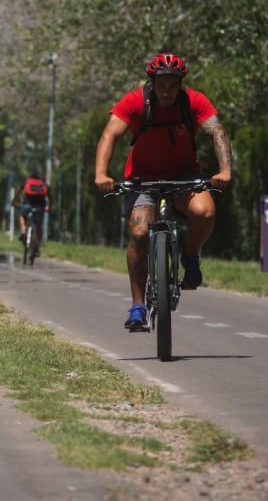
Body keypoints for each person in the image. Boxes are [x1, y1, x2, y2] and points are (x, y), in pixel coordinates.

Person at [94, 52, 232, 329]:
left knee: (204, 212)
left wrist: (225, 170)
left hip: (184, 178)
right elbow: (110, 134)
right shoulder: (135, 101)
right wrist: (101, 173)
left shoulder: (194, 101)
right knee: (139, 233)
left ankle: (191, 257)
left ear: (181, 82)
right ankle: (137, 306)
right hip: (143, 180)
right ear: (151, 82)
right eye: (161, 84)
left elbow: (216, 131)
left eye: (172, 84)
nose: (167, 91)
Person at [11, 173, 49, 251]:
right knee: (39, 225)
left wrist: (14, 202)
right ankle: (39, 243)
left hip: (27, 206)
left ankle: (23, 229)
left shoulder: (27, 182)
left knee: (22, 216)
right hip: (39, 208)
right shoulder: (43, 185)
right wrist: (49, 207)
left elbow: (18, 191)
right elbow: (50, 196)